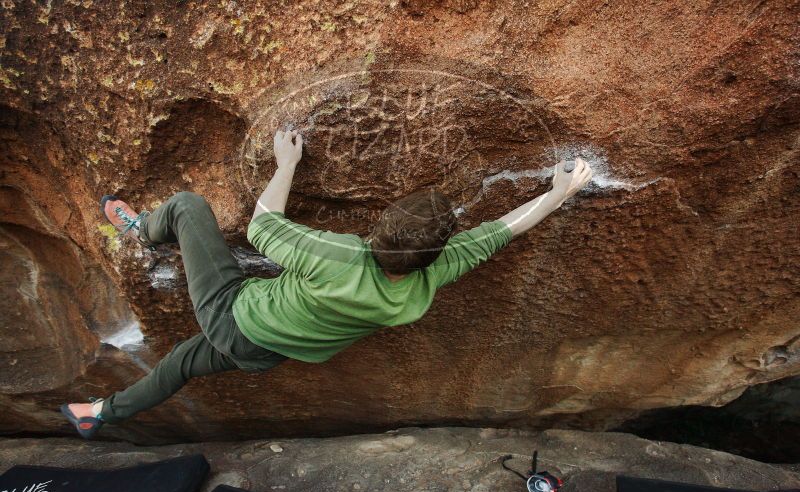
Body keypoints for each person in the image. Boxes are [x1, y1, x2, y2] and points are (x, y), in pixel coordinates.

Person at [60, 129, 593, 438]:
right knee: (179, 363)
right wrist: (559, 193)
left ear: (378, 228)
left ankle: (143, 232)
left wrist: (287, 160)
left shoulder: (342, 253)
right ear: (436, 254)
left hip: (232, 313)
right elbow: (501, 231)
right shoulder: (426, 284)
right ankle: (102, 414)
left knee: (187, 207)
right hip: (268, 351)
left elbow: (262, 223)